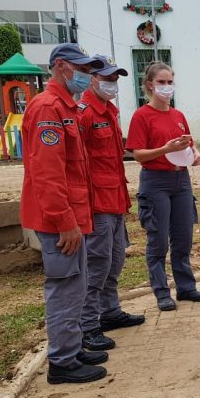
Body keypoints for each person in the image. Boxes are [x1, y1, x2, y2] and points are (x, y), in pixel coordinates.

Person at [20, 43, 109, 384]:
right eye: (82, 69)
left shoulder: (67, 107)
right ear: (61, 66)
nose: (87, 76)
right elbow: (47, 173)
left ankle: (71, 349)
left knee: (76, 285)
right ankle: (61, 363)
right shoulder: (47, 108)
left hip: (73, 216)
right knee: (65, 288)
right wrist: (65, 222)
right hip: (59, 221)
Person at [125, 62, 200, 311]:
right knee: (158, 240)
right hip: (156, 181)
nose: (166, 86)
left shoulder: (178, 115)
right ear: (150, 85)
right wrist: (165, 150)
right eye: (161, 82)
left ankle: (186, 287)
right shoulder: (141, 116)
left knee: (183, 237)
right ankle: (162, 292)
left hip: (181, 181)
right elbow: (138, 154)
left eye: (170, 81)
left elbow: (188, 143)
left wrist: (195, 152)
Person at [77, 55, 145, 351]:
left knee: (115, 260)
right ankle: (89, 326)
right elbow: (75, 162)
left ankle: (110, 311)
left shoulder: (108, 110)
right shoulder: (83, 113)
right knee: (96, 265)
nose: (112, 84)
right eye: (106, 79)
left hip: (115, 199)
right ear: (92, 78)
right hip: (96, 203)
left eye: (115, 80)